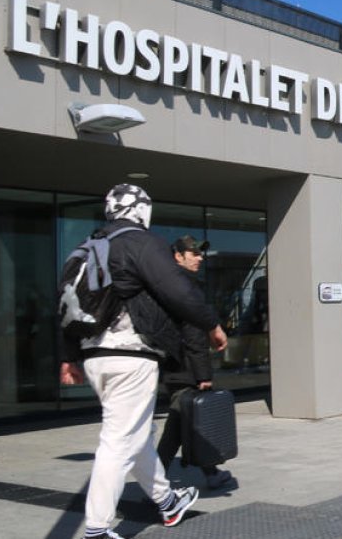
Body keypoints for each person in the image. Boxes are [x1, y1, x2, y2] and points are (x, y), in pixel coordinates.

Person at [58, 184, 227, 539]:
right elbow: (177, 289)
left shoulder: (87, 247)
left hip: (94, 356)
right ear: (142, 210)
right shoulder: (139, 242)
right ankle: (97, 528)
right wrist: (210, 322)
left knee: (136, 435)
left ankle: (167, 501)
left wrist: (69, 356)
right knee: (119, 440)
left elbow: (66, 302)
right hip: (130, 355)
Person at [156, 235, 233, 490]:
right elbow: (192, 334)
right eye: (194, 254)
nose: (200, 258)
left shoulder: (167, 284)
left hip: (176, 366)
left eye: (200, 254)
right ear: (178, 256)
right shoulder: (184, 287)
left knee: (187, 423)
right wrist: (203, 375)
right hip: (185, 369)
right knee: (177, 428)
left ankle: (210, 473)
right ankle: (154, 484)